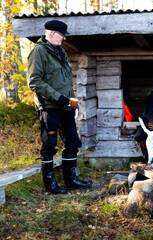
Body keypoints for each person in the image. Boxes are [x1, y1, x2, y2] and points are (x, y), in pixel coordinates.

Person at [27, 20, 92, 194]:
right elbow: (34, 81)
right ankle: (50, 185)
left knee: (72, 141)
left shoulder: (60, 51)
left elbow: (65, 81)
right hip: (49, 107)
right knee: (49, 145)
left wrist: (72, 102)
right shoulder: (38, 52)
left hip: (66, 106)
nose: (64, 39)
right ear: (52, 33)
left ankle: (71, 180)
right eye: (62, 35)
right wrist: (59, 98)